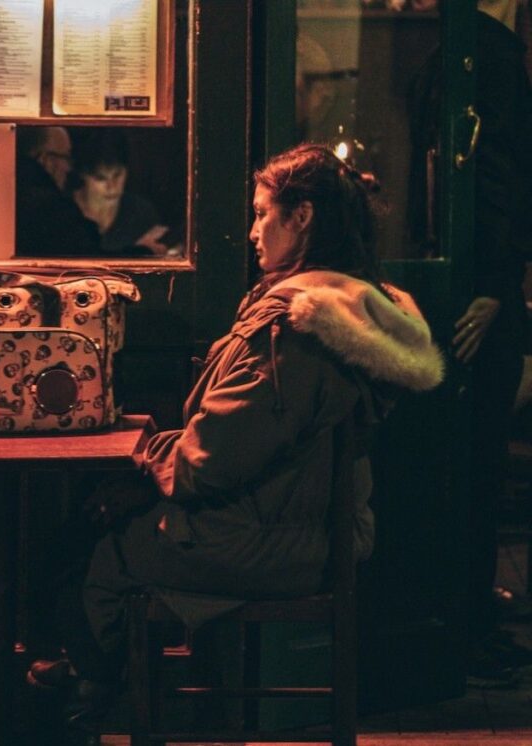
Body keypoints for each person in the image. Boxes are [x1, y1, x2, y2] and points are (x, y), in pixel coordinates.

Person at [27, 144, 445, 728]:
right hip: (311, 530)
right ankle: (87, 683)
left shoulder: (295, 329)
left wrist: (143, 459)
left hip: (263, 542)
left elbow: (206, 464)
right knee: (95, 522)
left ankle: (80, 703)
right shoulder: (357, 305)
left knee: (85, 554)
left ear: (300, 217)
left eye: (261, 213)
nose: (252, 231)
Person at [409, 0, 532, 687]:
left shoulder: (457, 51)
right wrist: (497, 276)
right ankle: (467, 629)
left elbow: (497, 172)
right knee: (473, 468)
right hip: (478, 286)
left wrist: (490, 276)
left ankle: (461, 628)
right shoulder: (478, 48)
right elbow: (503, 172)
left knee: (466, 466)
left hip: (462, 283)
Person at [69, 129, 174, 256]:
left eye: (117, 175)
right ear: (83, 175)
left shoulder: (140, 213)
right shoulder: (64, 212)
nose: (111, 186)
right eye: (100, 178)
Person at [15, 126, 101, 257]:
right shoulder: (51, 209)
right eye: (66, 157)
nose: (69, 168)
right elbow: (84, 255)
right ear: (45, 160)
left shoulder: (5, 197)